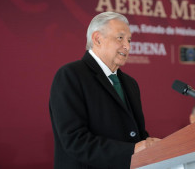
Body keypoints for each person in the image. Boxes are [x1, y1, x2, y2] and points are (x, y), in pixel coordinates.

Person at [49, 12, 160, 169]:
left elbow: (136, 134)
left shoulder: (130, 83)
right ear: (97, 39)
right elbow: (75, 140)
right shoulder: (70, 75)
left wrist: (152, 145)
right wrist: (132, 150)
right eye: (120, 38)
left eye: (129, 40)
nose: (127, 46)